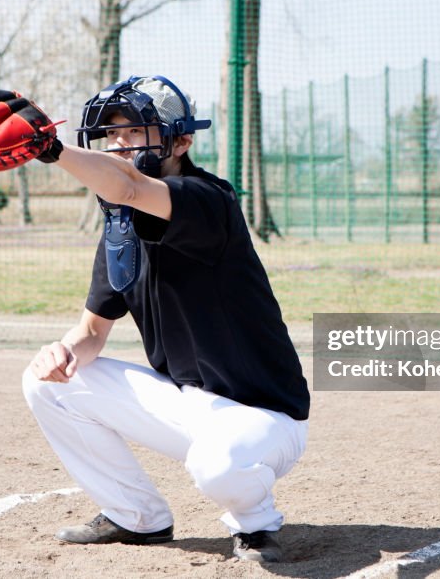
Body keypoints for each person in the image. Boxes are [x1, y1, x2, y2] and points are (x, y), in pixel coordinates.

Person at [21, 75, 310, 563]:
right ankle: (135, 517)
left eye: (134, 133)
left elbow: (131, 186)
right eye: (111, 135)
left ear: (181, 140)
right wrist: (64, 352)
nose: (119, 145)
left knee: (217, 466)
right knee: (47, 382)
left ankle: (256, 524)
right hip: (187, 404)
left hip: (264, 416)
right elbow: (93, 332)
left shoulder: (208, 199)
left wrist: (50, 149)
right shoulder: (120, 228)